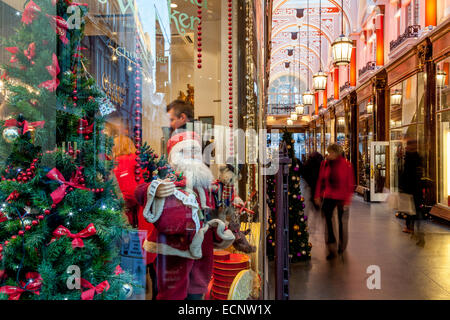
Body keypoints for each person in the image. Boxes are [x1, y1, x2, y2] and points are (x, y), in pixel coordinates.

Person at [135, 131, 234, 300]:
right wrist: (155, 189)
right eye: (185, 151)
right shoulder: (166, 175)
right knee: (172, 293)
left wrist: (232, 198)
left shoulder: (205, 181)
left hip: (202, 246)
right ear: (175, 155)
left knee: (197, 291)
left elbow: (216, 201)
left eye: (195, 151)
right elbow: (140, 191)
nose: (192, 155)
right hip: (174, 247)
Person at [314, 144, 354, 260]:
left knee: (342, 222)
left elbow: (349, 184)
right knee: (328, 221)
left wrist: (347, 201)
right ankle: (331, 247)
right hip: (329, 195)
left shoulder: (346, 165)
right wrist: (317, 195)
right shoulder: (325, 164)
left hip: (342, 197)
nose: (328, 154)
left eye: (330, 152)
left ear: (336, 153)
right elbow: (320, 180)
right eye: (328, 152)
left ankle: (342, 245)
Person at [112, 135, 143, 228]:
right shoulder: (135, 159)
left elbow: (128, 190)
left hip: (126, 205)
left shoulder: (119, 161)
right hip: (138, 203)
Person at [398, 139, 423, 233]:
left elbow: (405, 173)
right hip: (415, 187)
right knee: (414, 208)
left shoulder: (409, 158)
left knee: (409, 208)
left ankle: (409, 226)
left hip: (410, 187)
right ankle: (412, 226)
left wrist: (402, 186)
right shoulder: (417, 157)